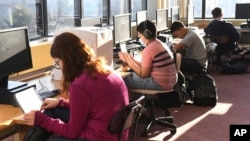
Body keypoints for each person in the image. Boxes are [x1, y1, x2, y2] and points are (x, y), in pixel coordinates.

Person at [23, 32, 129, 141]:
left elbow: (72, 132)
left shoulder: (80, 85)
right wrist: (61, 102)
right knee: (53, 111)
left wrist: (42, 120)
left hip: (98, 138)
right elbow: (89, 106)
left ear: (67, 59)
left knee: (48, 131)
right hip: (114, 135)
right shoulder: (104, 69)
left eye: (57, 62)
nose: (59, 66)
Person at [118, 20, 177, 91]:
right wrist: (131, 59)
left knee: (121, 81)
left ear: (146, 34)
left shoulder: (149, 49)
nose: (139, 38)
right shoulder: (159, 43)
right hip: (170, 81)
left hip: (160, 84)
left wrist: (128, 61)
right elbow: (145, 67)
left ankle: (134, 101)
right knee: (131, 76)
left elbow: (143, 74)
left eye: (140, 35)